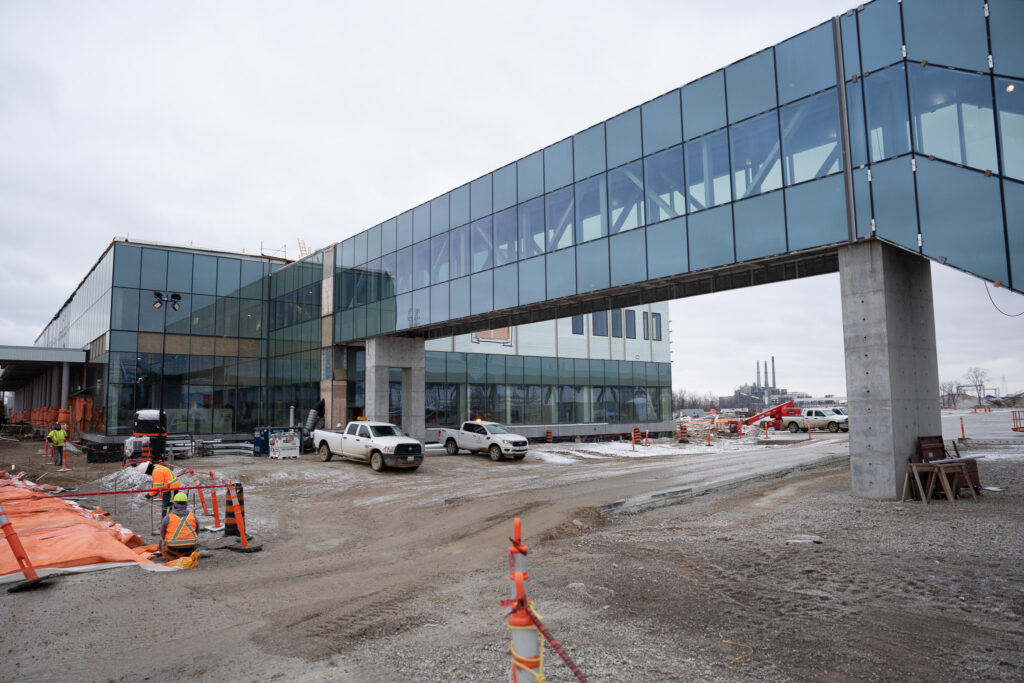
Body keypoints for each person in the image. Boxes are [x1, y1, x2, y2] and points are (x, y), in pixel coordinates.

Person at [159, 491, 198, 559]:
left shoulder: (168, 517)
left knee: (160, 545)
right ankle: (187, 556)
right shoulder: (193, 517)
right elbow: (197, 531)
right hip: (190, 549)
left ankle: (172, 558)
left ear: (174, 504)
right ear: (186, 504)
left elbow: (162, 534)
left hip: (172, 550)